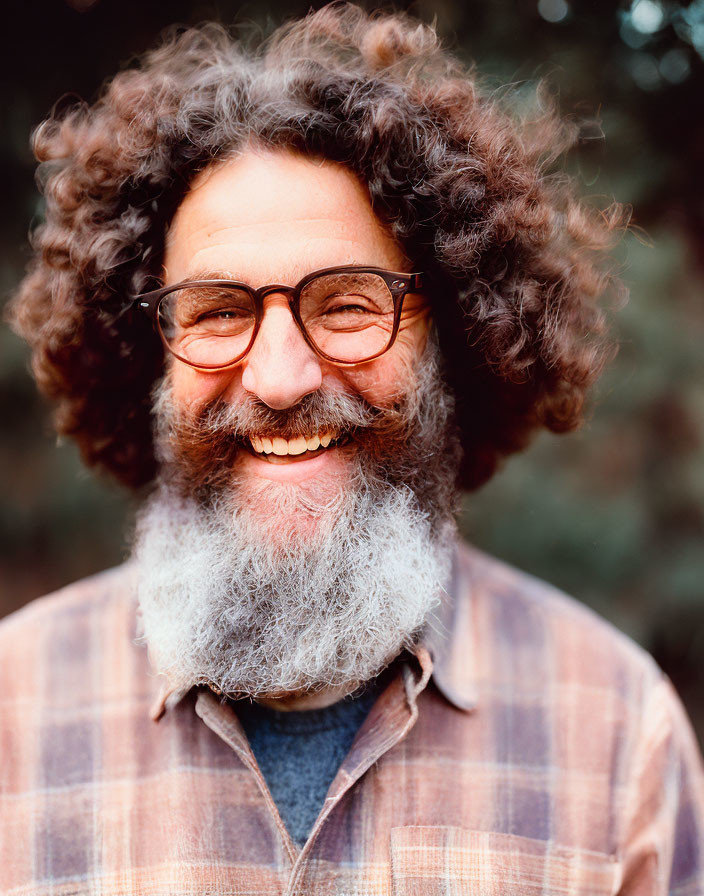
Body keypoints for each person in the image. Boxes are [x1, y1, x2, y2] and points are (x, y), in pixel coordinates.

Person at [2, 5, 703, 893]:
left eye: (348, 304)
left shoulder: (616, 731)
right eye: (218, 312)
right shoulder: (10, 719)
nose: (282, 377)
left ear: (454, 341)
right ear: (147, 359)